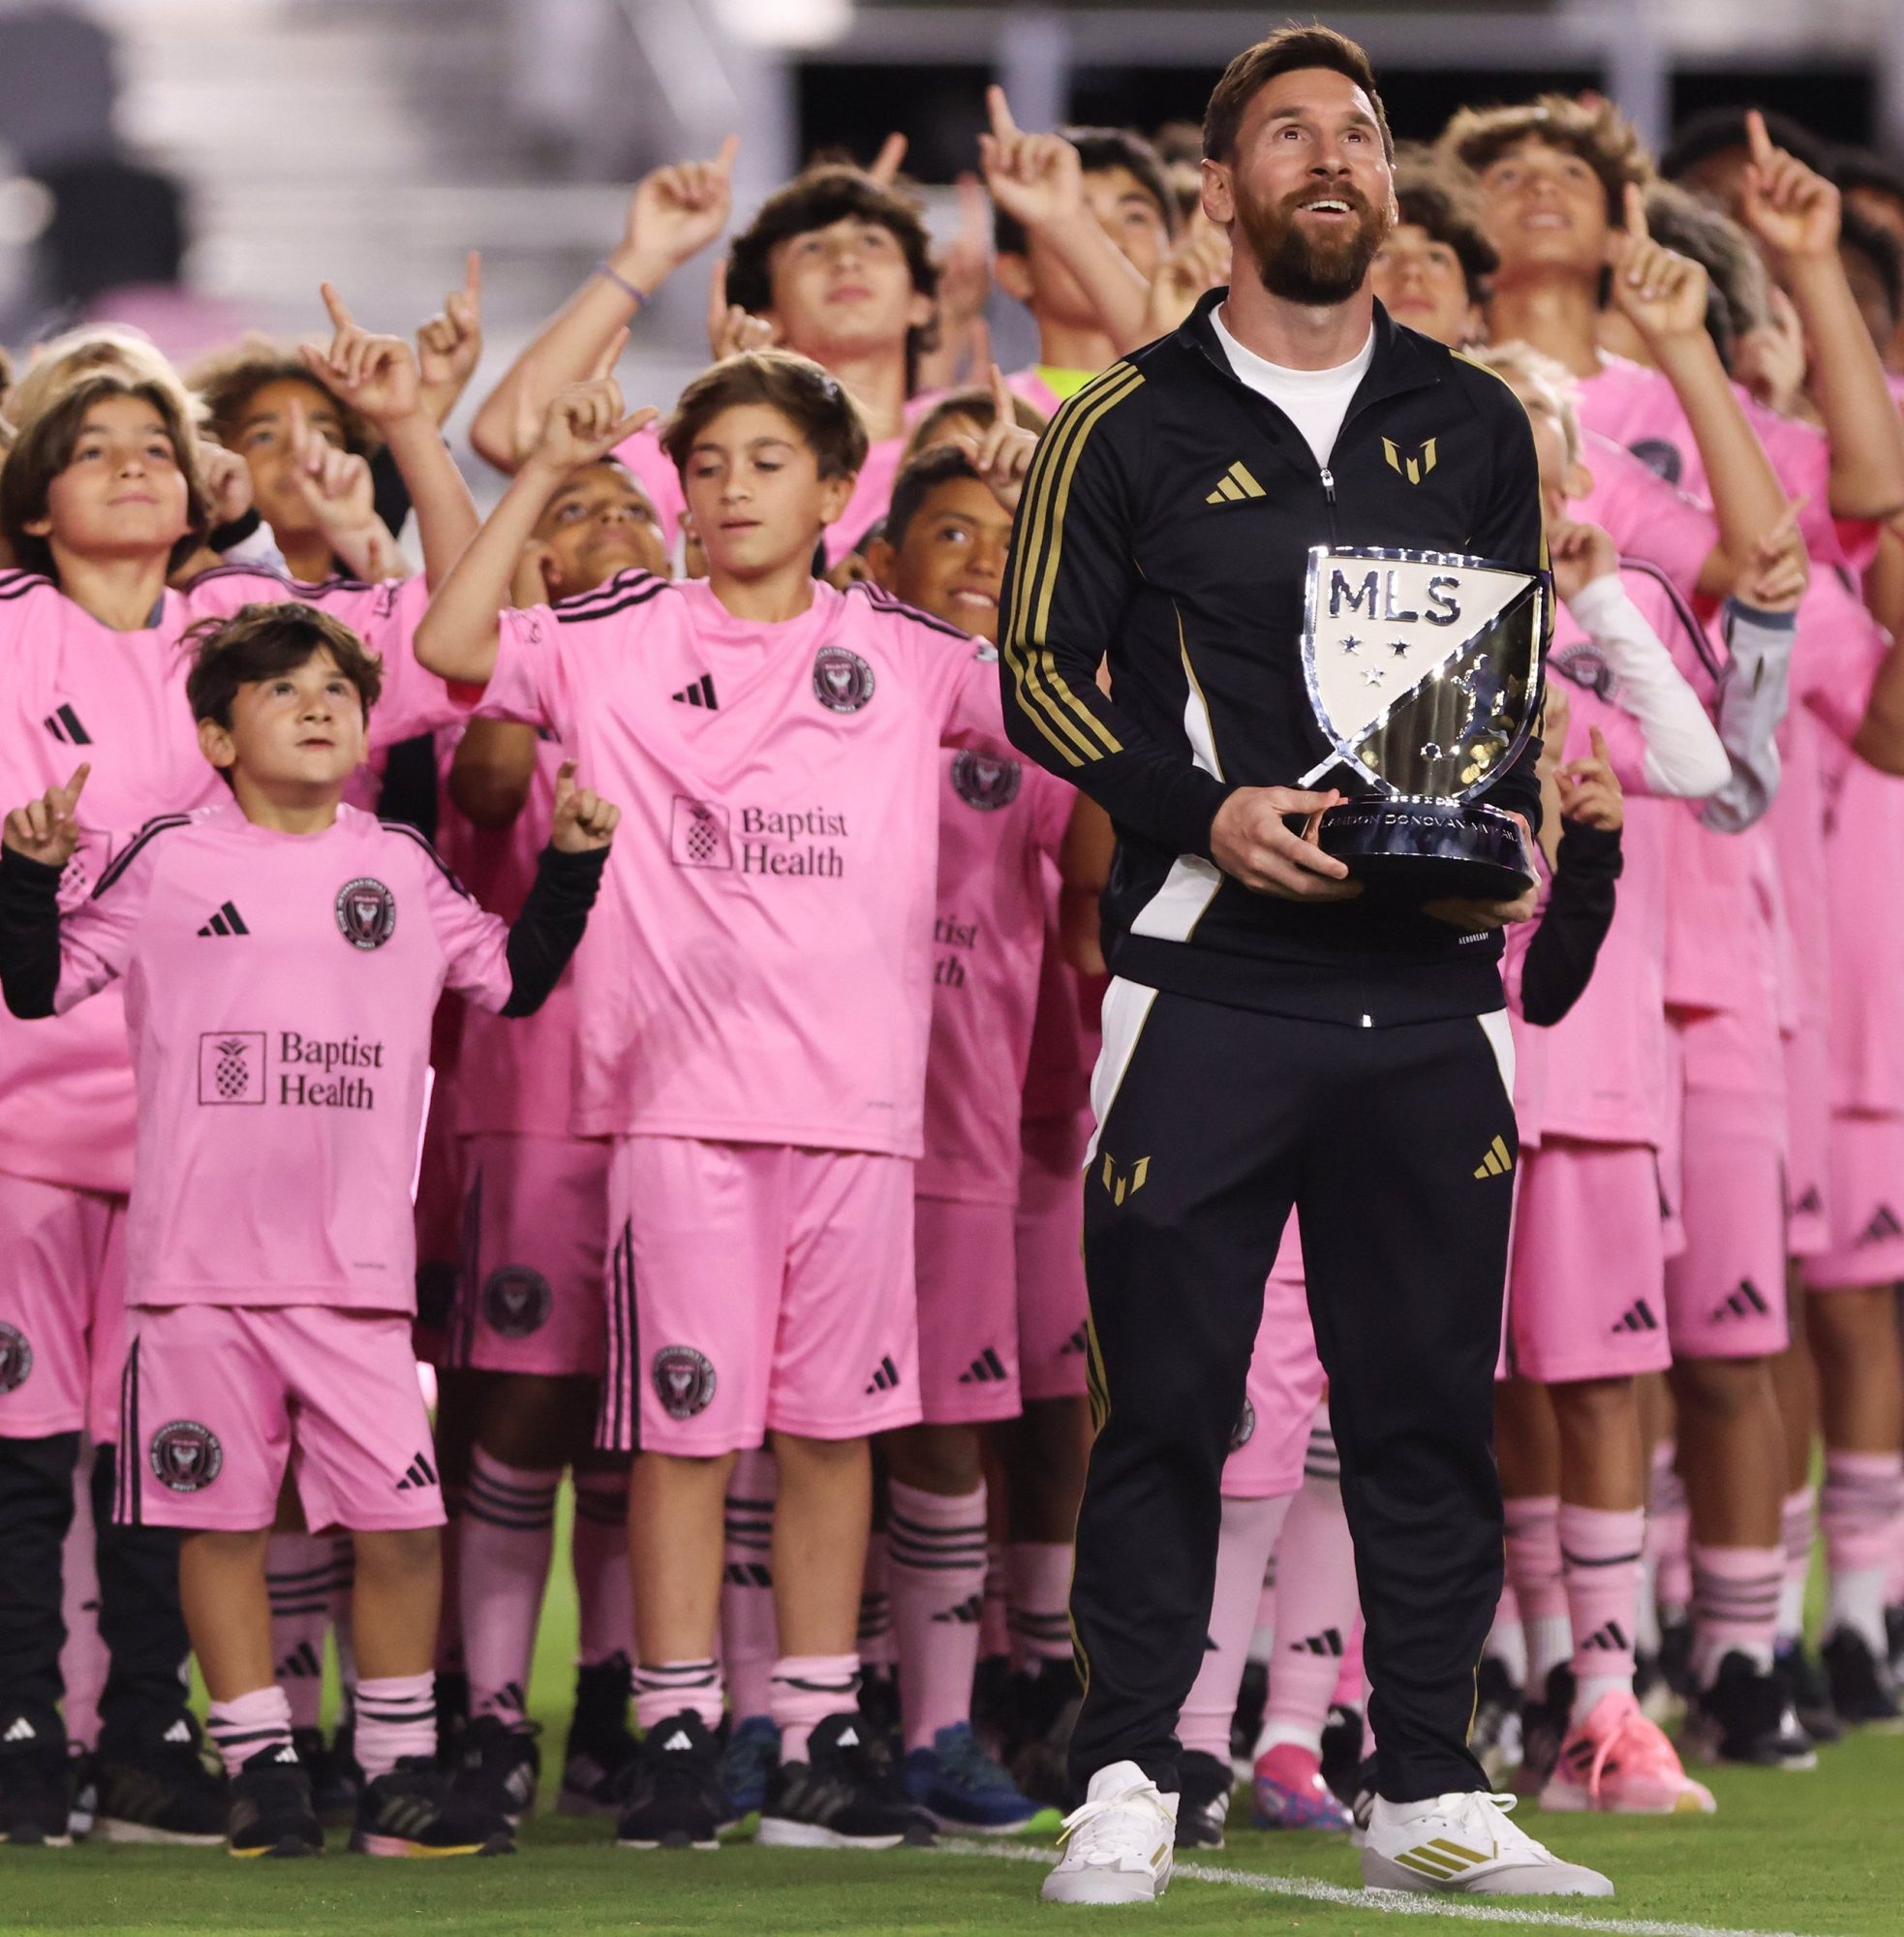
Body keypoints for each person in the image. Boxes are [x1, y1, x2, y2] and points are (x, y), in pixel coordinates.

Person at [998, 27, 1610, 1903]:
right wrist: (1196, 812)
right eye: (1289, 135)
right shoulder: (1125, 419)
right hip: (1202, 976)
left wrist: (1493, 836)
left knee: (1420, 1400)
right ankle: (1126, 1770)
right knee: (1170, 1400)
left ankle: (1423, 1779)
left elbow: (1489, 696)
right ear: (1221, 193)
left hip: (1425, 998)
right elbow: (1033, 670)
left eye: (1356, 133)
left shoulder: (1474, 419)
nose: (1331, 159)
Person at [414, 346, 1016, 1855]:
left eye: (767, 461)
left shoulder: (905, 649)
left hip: (863, 1113)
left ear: (833, 491)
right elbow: (448, 637)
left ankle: (811, 1726)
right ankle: (680, 1725)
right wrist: (542, 476)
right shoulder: (613, 634)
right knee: (683, 1429)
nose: (732, 487)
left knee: (829, 1433)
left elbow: (1074, 710)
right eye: (711, 463)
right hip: (677, 1110)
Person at [0, 601, 616, 1857]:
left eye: (337, 685)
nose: (321, 702)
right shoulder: (166, 857)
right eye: (283, 690)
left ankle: (393, 1772)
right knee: (219, 1521)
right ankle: (260, 1770)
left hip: (355, 1278)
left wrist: (572, 866)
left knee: (398, 1522)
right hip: (195, 1277)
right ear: (218, 736)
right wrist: (20, 873)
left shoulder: (395, 862)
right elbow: (35, 983)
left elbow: (512, 979)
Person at [0, 306, 474, 1847]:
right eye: (90, 451)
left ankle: (148, 1745)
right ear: (29, 496)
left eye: (155, 446)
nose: (131, 471)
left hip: (207, 1147)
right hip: (17, 1113)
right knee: (15, 1457)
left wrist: (411, 445)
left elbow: (451, 647)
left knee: (163, 1480)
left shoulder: (255, 645)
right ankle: (18, 1732)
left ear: (203, 483)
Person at [434, 456, 671, 1821]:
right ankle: (492, 1714)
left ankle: (615, 1695)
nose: (609, 528)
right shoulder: (524, 677)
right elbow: (482, 789)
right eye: (574, 508)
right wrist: (525, 590)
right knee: (521, 1412)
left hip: (677, 1090)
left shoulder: (717, 679)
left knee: (646, 1420)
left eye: (634, 507)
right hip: (529, 1092)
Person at [863, 436, 1075, 1837]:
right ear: (877, 565)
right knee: (791, 1431)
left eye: (1008, 539)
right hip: (815, 1113)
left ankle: (972, 1705)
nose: (984, 560)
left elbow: (1109, 870)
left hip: (986, 1113)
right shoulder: (831, 692)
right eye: (951, 534)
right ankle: (788, 1710)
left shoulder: (1043, 721)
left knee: (986, 1404)